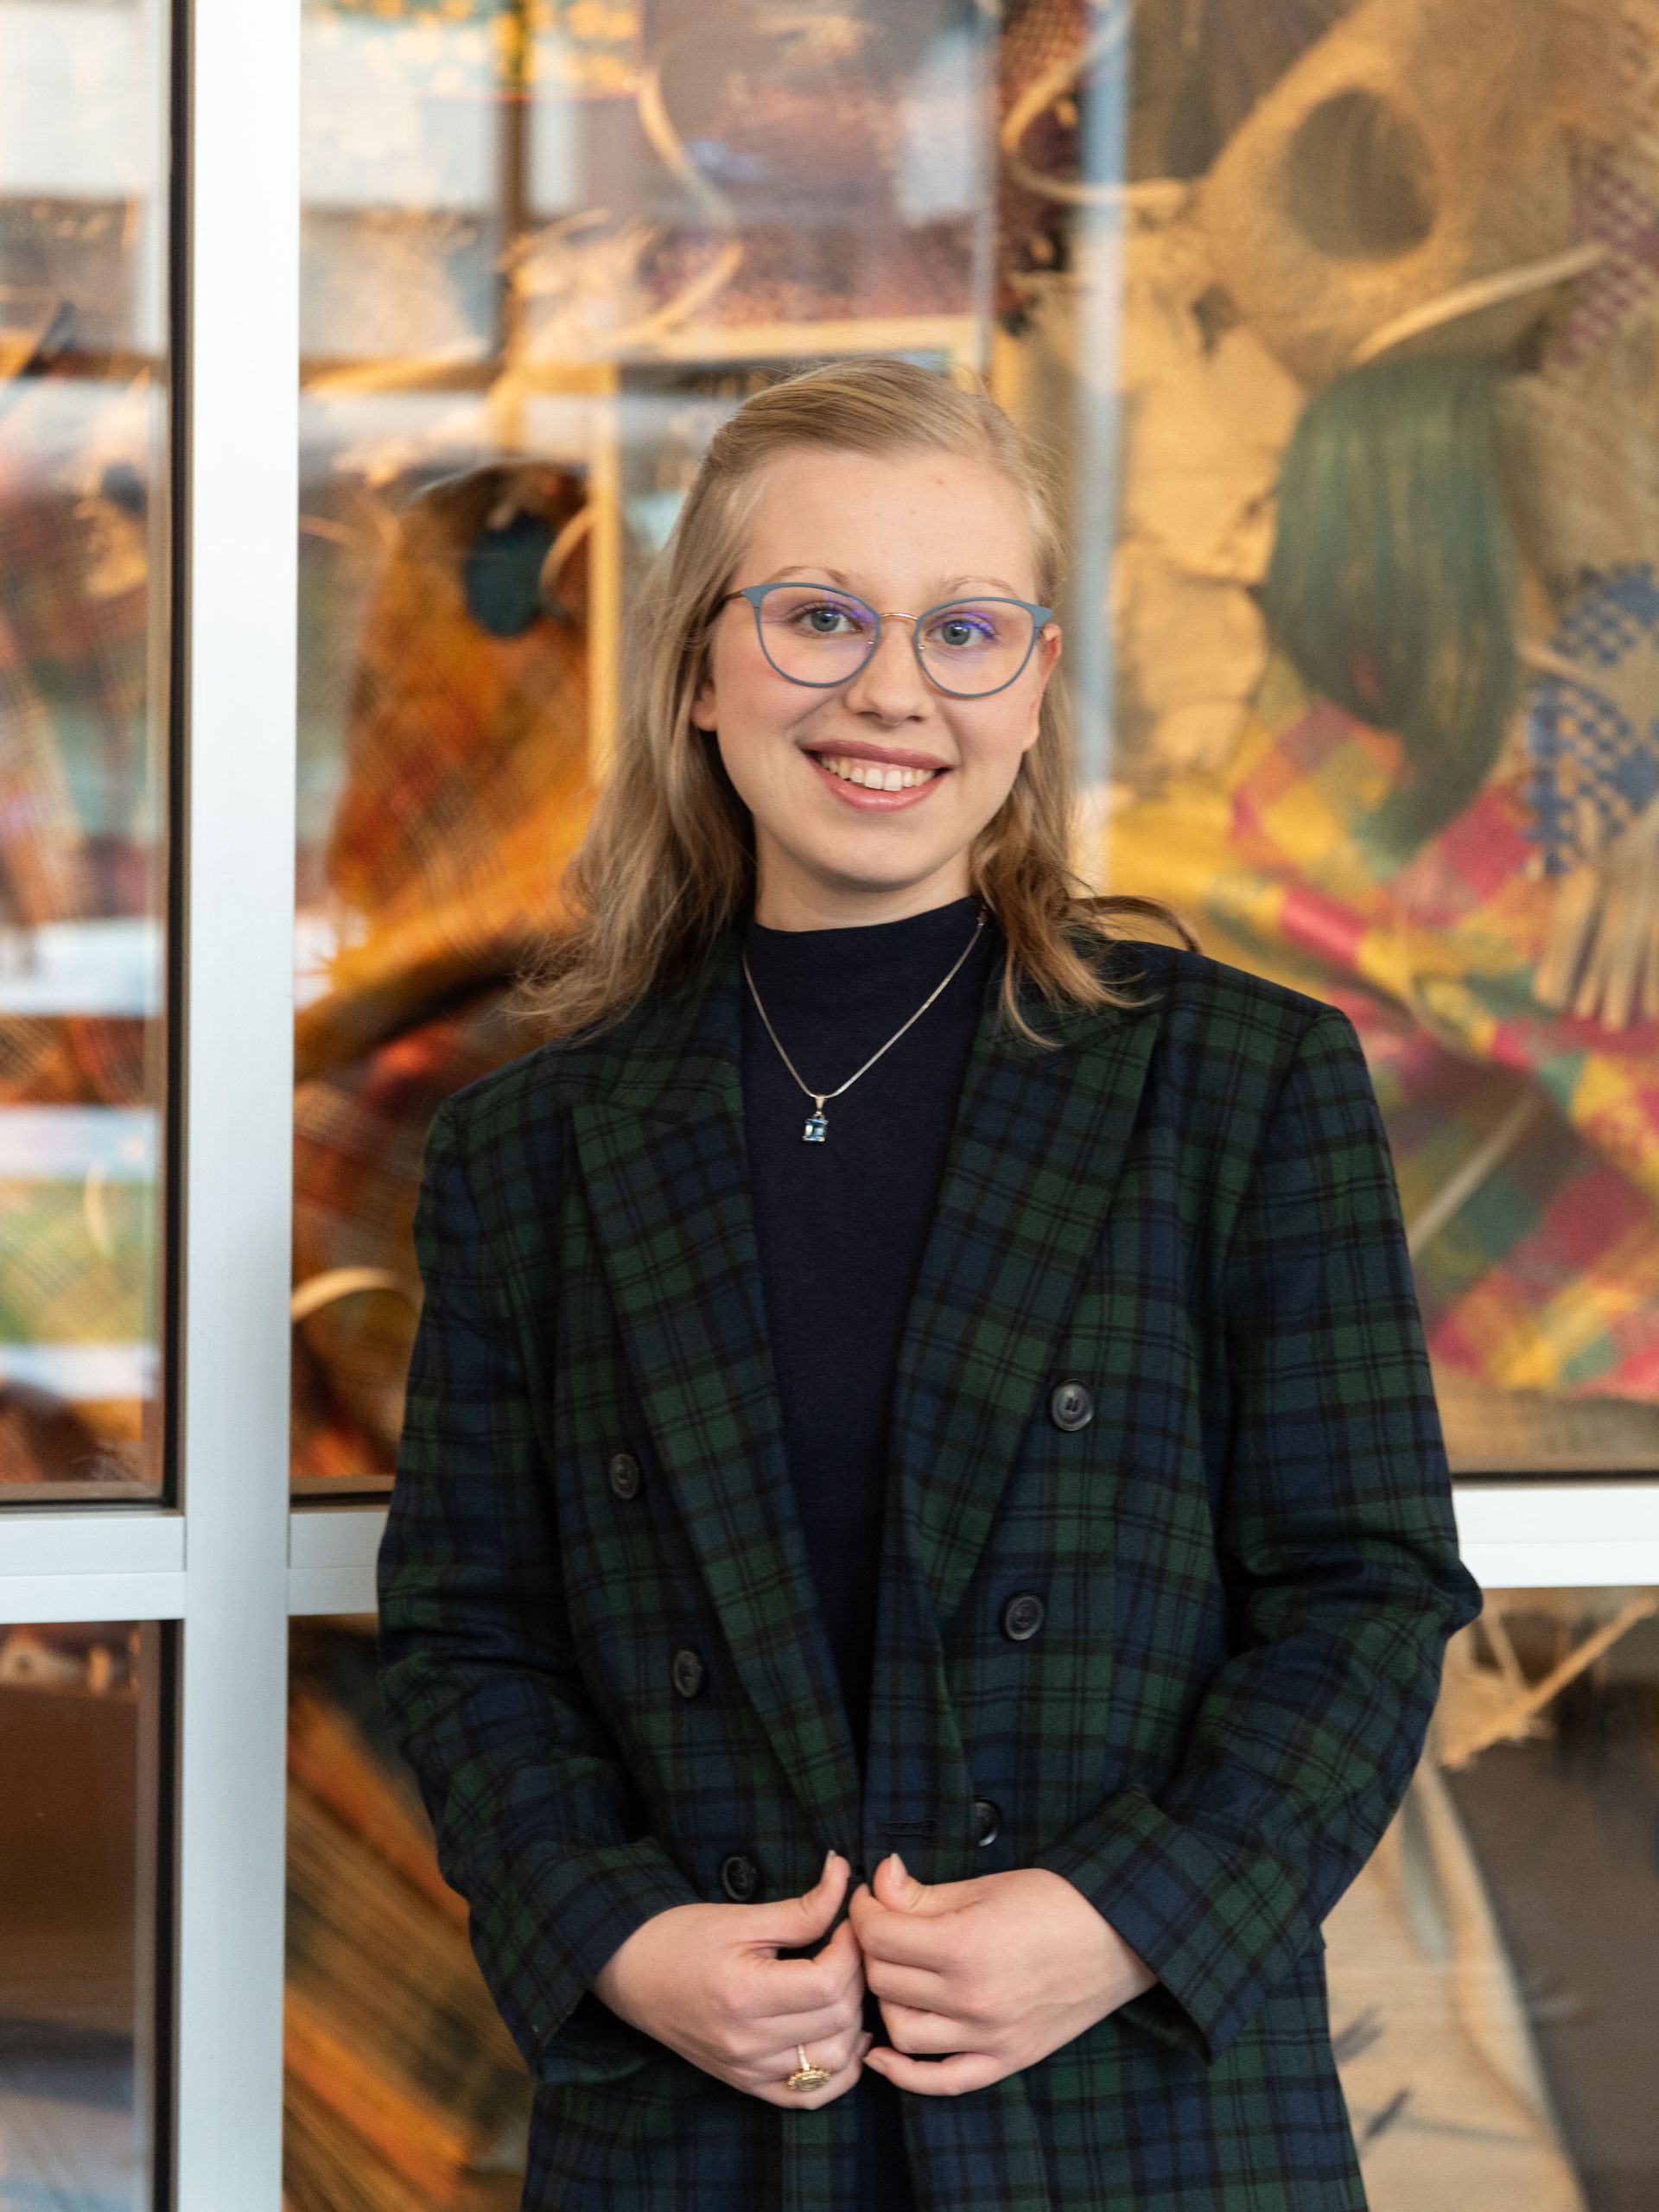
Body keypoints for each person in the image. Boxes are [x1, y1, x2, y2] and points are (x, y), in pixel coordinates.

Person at [376, 355, 1483, 2211]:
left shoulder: (1242, 1087)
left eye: (966, 627)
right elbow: (471, 1631)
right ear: (701, 670)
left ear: (1035, 682)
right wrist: (624, 1940)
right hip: (699, 2121)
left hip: (1139, 2108)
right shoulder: (533, 1150)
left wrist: (1124, 1915)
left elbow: (1365, 1595)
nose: (892, 688)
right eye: (817, 616)